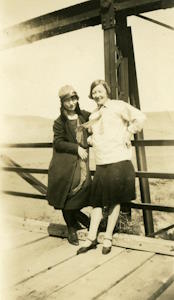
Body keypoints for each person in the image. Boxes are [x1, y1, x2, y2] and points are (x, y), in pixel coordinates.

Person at [77, 79, 146, 255]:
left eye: (100, 91)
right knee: (97, 202)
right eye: (94, 92)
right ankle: (91, 238)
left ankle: (107, 237)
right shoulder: (93, 115)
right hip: (101, 162)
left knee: (114, 199)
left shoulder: (118, 106)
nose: (97, 95)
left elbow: (140, 117)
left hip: (118, 160)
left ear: (106, 91)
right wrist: (92, 140)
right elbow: (94, 135)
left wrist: (129, 133)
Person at [47, 85, 91, 246]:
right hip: (65, 164)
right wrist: (77, 148)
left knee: (83, 190)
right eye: (67, 100)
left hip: (82, 162)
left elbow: (99, 121)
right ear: (62, 103)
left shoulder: (84, 116)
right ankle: (71, 228)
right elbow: (58, 143)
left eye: (74, 99)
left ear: (77, 99)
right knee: (68, 194)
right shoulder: (59, 122)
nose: (71, 103)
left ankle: (80, 218)